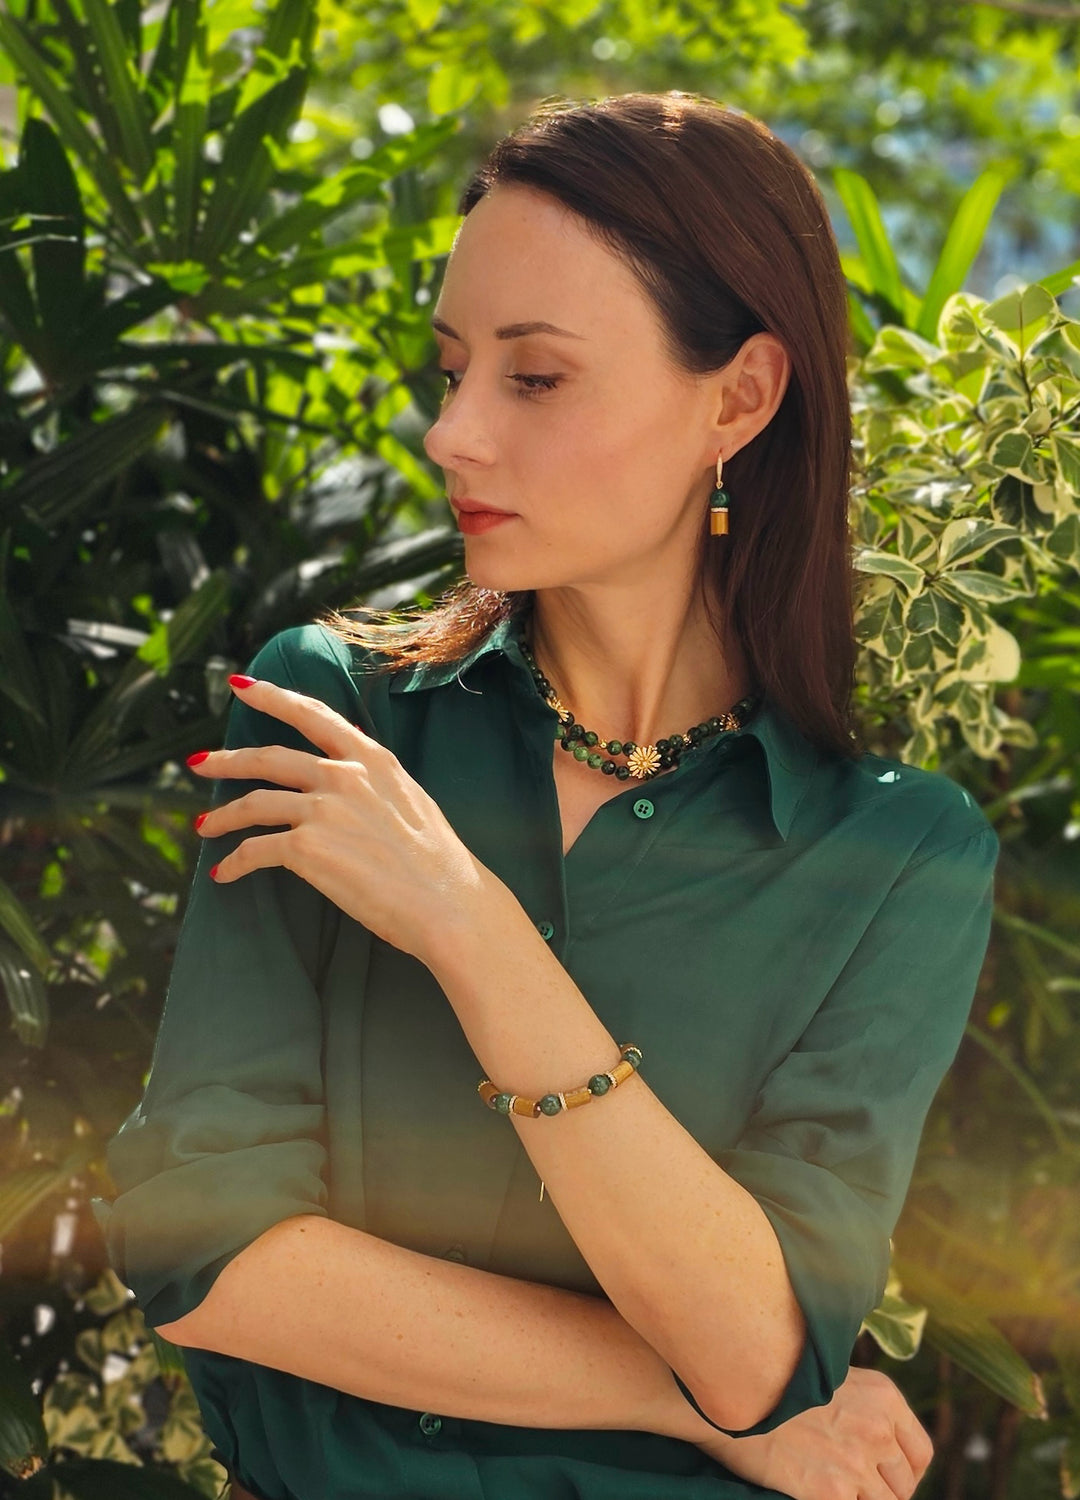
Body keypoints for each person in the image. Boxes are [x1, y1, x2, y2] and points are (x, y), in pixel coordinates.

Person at [92, 92, 998, 1500]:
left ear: (740, 399)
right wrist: (694, 1405)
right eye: (451, 369)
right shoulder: (331, 717)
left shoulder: (899, 855)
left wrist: (470, 927)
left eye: (535, 378)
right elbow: (207, 1259)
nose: (452, 434)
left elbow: (759, 1343)